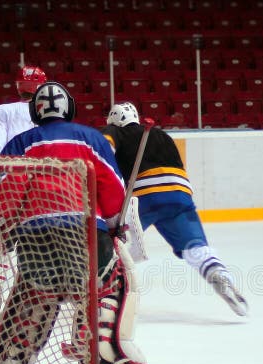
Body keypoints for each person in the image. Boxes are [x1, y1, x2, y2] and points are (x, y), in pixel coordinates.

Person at [0, 82, 148, 364]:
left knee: (37, 288)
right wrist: (115, 222)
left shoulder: (21, 142)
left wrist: (2, 224)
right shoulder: (91, 138)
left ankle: (15, 356)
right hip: (84, 228)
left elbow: (7, 187)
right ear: (70, 107)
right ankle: (104, 355)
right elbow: (111, 185)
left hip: (34, 233)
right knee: (109, 284)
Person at [101, 102, 249, 316]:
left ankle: (104, 290)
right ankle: (217, 272)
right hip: (180, 194)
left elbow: (104, 148)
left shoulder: (115, 131)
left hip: (143, 196)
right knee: (195, 247)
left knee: (112, 240)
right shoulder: (162, 135)